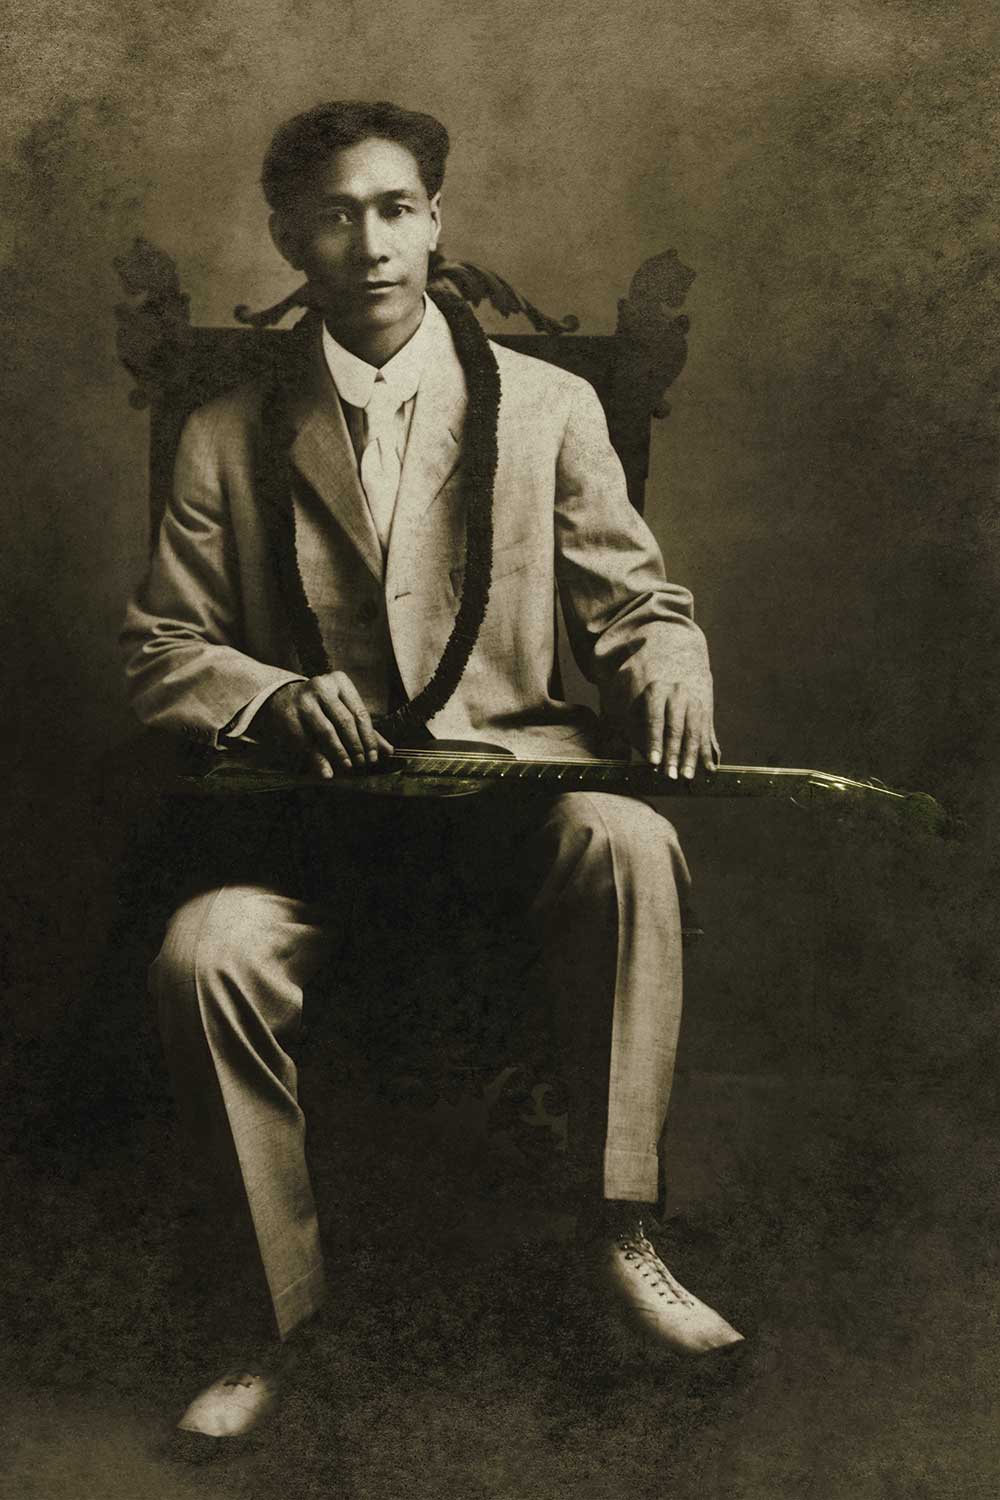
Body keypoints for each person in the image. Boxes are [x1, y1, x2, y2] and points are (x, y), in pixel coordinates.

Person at [121, 99, 744, 1442]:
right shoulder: (228, 433)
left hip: (507, 811)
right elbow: (160, 653)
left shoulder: (551, 408)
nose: (370, 241)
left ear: (437, 223)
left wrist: (668, 663)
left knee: (630, 841)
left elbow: (636, 608)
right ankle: (269, 1319)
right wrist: (275, 694)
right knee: (201, 951)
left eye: (396, 207)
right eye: (335, 213)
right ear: (293, 237)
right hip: (317, 839)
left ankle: (624, 1229)